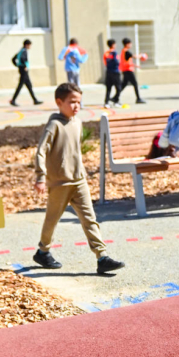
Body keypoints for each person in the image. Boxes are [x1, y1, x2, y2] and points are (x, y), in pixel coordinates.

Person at [33, 83, 125, 274]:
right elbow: (41, 151)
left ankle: (102, 257)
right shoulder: (54, 124)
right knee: (52, 219)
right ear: (59, 102)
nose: (76, 106)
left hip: (78, 181)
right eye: (72, 102)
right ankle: (43, 251)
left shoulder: (77, 122)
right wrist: (41, 177)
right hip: (60, 182)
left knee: (89, 219)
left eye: (79, 102)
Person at [10, 39, 43, 107]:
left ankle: (35, 100)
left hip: (22, 69)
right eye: (29, 45)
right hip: (24, 70)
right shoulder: (24, 51)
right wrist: (24, 66)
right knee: (20, 85)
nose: (30, 47)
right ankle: (13, 100)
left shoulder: (21, 50)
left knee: (29, 85)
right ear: (26, 45)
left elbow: (13, 59)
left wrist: (17, 65)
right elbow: (23, 58)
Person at [119, 38, 146, 104]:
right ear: (127, 44)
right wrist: (141, 55)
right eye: (130, 43)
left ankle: (115, 97)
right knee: (135, 83)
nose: (131, 45)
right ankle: (138, 98)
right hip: (128, 71)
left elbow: (127, 62)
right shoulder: (126, 51)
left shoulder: (123, 51)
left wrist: (136, 65)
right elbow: (135, 56)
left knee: (124, 84)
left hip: (126, 70)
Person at [103, 39, 122, 108]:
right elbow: (117, 62)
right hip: (115, 72)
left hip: (108, 72)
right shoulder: (114, 53)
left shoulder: (106, 53)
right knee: (118, 88)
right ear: (113, 45)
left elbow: (105, 62)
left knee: (108, 88)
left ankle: (106, 102)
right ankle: (116, 101)